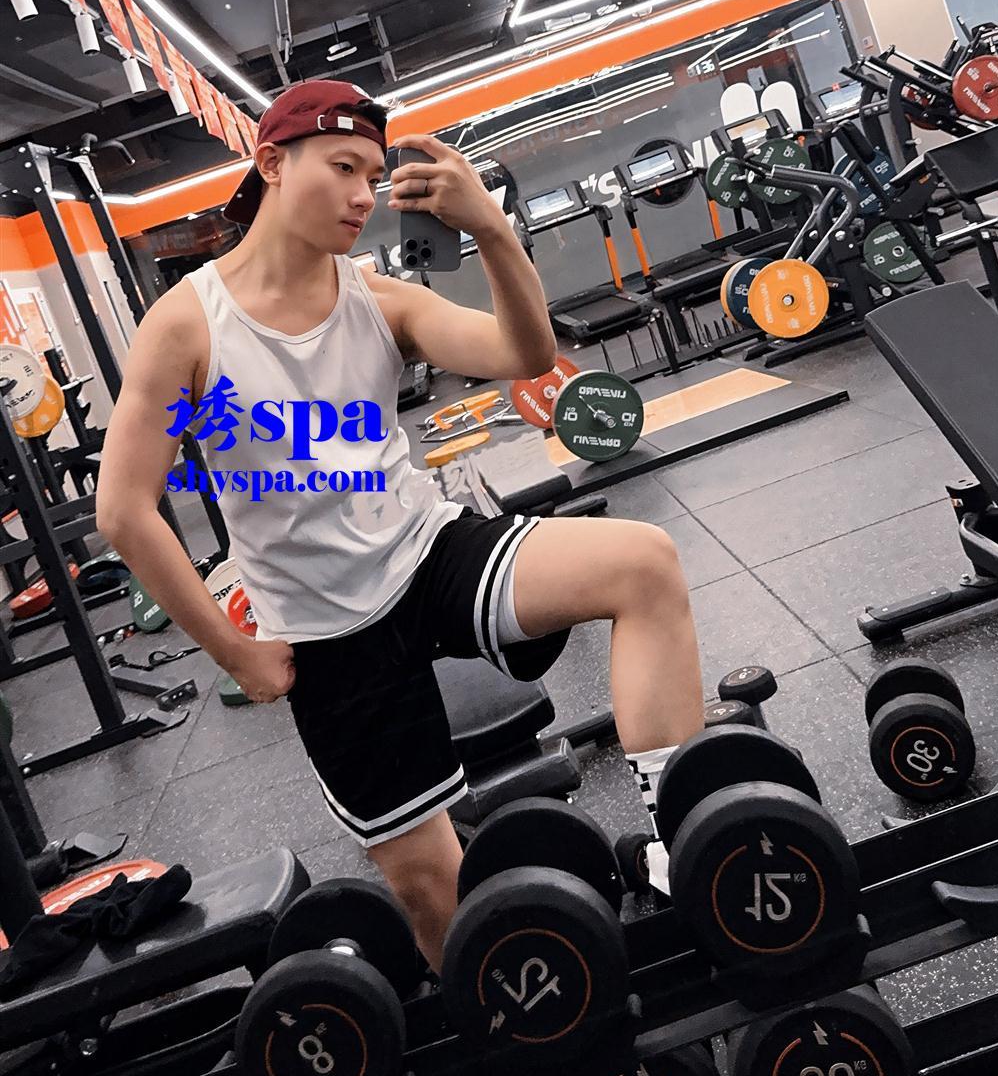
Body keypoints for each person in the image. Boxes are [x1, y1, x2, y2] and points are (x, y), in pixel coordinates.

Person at [96, 79, 705, 978]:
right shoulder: (186, 323)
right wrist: (234, 651)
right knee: (432, 892)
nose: (362, 196)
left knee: (642, 563)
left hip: (426, 554)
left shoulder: (377, 300)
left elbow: (526, 355)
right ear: (271, 163)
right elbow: (123, 510)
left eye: (373, 178)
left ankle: (686, 844)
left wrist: (490, 228)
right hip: (323, 630)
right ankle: (513, 1028)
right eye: (343, 168)